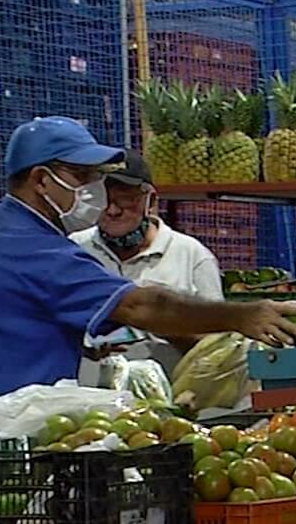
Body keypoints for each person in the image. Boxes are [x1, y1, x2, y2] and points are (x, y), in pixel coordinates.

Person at [0, 117, 296, 425]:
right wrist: (243, 315)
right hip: (6, 430)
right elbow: (141, 306)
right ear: (41, 180)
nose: (95, 192)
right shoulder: (37, 248)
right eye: (83, 176)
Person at [71, 152, 224, 380]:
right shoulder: (74, 249)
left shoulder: (191, 256)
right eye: (102, 200)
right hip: (92, 406)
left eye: (125, 199)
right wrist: (83, 341)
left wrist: (164, 323)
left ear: (150, 201)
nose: (112, 210)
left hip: (171, 405)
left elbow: (220, 349)